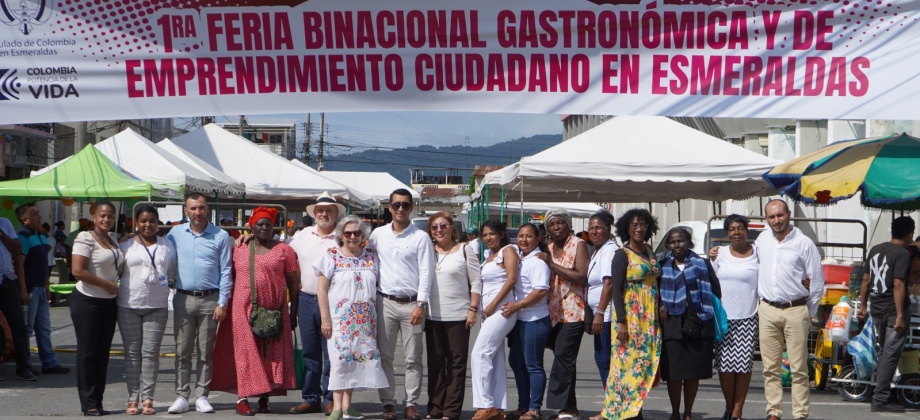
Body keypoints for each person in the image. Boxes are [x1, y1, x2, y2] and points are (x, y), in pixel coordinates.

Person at [212, 206, 299, 416]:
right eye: (260, 224)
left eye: (268, 224)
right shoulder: (240, 248)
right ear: (252, 227)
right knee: (245, 353)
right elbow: (226, 276)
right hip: (242, 309)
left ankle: (264, 396)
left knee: (269, 354)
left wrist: (293, 313)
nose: (264, 228)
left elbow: (295, 284)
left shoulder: (284, 250)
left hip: (273, 310)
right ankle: (242, 398)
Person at [367, 189, 435, 420]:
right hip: (384, 301)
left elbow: (427, 272)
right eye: (396, 205)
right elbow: (364, 258)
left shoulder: (420, 237)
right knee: (384, 355)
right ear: (389, 207)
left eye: (405, 205)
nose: (400, 209)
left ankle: (411, 403)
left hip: (412, 304)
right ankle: (387, 402)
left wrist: (421, 303)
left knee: (413, 358)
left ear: (411, 208)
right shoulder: (378, 234)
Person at [315, 215, 389, 420]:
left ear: (363, 234)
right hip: (340, 321)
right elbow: (321, 290)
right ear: (341, 235)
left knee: (355, 361)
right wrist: (325, 319)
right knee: (339, 362)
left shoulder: (371, 256)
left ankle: (348, 406)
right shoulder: (331, 257)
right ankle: (336, 407)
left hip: (365, 321)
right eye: (348, 233)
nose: (353, 237)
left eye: (357, 232)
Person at [166, 192, 233, 414]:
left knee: (206, 351)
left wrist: (223, 302)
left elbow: (226, 271)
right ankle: (182, 395)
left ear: (208, 209)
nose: (197, 212)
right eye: (193, 208)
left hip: (210, 300)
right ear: (186, 211)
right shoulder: (175, 234)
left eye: (201, 208)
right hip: (183, 298)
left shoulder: (220, 236)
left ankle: (202, 395)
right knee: (182, 350)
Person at [756, 199, 824, 420]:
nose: (776, 220)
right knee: (769, 368)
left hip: (796, 309)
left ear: (788, 215)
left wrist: (809, 311)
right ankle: (774, 412)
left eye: (780, 215)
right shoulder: (762, 239)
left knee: (799, 369)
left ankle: (800, 415)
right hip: (767, 309)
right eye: (772, 217)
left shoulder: (804, 243)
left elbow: (816, 282)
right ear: (766, 219)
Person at [598, 208, 661, 420]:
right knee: (626, 366)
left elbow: (655, 281)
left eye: (643, 224)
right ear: (627, 228)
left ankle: (635, 408)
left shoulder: (649, 251)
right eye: (634, 225)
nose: (639, 229)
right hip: (631, 318)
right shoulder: (621, 255)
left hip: (649, 317)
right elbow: (616, 289)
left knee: (644, 364)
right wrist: (622, 322)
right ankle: (623, 411)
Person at [288, 191, 346, 415]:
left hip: (334, 302)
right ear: (314, 214)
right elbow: (282, 253)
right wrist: (248, 238)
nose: (324, 214)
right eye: (320, 210)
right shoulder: (302, 235)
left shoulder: (342, 237)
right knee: (310, 352)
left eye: (328, 210)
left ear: (335, 214)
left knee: (331, 351)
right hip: (306, 299)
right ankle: (311, 397)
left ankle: (330, 398)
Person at [117, 205, 177, 415]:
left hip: (157, 306)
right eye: (143, 221)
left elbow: (169, 272)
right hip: (128, 304)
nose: (147, 225)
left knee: (150, 354)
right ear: (136, 222)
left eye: (152, 220)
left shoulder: (167, 245)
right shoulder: (125, 245)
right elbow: (118, 270)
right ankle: (132, 398)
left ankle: (148, 399)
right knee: (132, 354)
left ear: (157, 222)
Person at [658, 227, 721, 420]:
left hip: (698, 320)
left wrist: (702, 304)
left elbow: (716, 290)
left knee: (692, 372)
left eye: (681, 241)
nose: (677, 245)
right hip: (672, 322)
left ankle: (688, 413)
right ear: (668, 245)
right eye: (673, 242)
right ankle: (675, 412)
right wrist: (661, 304)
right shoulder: (662, 265)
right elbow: (655, 292)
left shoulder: (701, 263)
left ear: (688, 242)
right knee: (674, 372)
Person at [70, 201, 125, 416]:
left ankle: (98, 402)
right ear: (94, 216)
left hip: (109, 303)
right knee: (88, 353)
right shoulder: (84, 238)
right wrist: (108, 285)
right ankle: (89, 403)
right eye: (102, 215)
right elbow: (78, 271)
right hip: (87, 301)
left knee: (103, 354)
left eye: (110, 216)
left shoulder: (113, 239)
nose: (106, 219)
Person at [425, 212, 481, 420]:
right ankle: (435, 408)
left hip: (459, 316)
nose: (439, 230)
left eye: (443, 226)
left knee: (456, 365)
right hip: (432, 317)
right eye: (434, 227)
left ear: (452, 228)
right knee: (436, 364)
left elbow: (476, 282)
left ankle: (451, 411)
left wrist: (473, 310)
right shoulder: (428, 252)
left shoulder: (465, 250)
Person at [857, 216, 915, 413]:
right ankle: (880, 398)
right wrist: (900, 315)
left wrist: (863, 306)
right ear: (910, 233)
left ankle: (880, 393)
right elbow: (898, 284)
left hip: (877, 308)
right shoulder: (902, 254)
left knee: (884, 352)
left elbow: (865, 281)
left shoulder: (875, 249)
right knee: (890, 354)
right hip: (893, 310)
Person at [536, 209, 588, 420]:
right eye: (552, 224)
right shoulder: (546, 248)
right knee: (566, 361)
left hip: (573, 312)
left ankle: (563, 408)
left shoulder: (578, 244)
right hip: (552, 312)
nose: (556, 227)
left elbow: (581, 276)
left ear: (568, 225)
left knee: (563, 359)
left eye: (560, 223)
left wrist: (551, 264)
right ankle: (570, 408)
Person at [709, 215, 760, 420]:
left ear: (747, 231)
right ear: (727, 233)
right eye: (731, 229)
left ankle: (738, 411)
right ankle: (729, 407)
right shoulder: (718, 253)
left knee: (744, 365)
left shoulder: (758, 252)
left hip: (749, 316)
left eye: (740, 228)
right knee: (725, 366)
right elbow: (711, 281)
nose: (736, 232)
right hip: (724, 317)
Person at [470, 219, 520, 420]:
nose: (488, 237)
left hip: (502, 310)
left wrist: (493, 304)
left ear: (501, 234)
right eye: (485, 234)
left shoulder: (508, 250)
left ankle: (485, 404)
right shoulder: (489, 256)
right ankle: (498, 407)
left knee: (479, 353)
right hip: (489, 312)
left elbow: (511, 279)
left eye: (492, 233)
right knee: (496, 358)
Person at [503, 223, 552, 420]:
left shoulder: (537, 262)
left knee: (533, 365)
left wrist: (517, 305)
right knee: (516, 361)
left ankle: (534, 408)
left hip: (535, 318)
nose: (523, 240)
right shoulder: (521, 258)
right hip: (520, 319)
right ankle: (523, 406)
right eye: (521, 236)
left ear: (538, 238)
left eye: (529, 236)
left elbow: (540, 291)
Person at [15, 203, 69, 376]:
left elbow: (44, 264)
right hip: (30, 289)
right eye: (35, 214)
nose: (40, 217)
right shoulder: (23, 236)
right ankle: (25, 364)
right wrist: (23, 289)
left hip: (40, 288)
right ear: (25, 219)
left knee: (44, 328)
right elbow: (19, 265)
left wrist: (46, 285)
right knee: (28, 328)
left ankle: (49, 363)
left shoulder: (40, 235)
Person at [584, 210, 619, 387]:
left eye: (598, 228)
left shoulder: (609, 250)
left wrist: (599, 312)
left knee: (604, 359)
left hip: (607, 315)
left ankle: (612, 406)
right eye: (591, 228)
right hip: (602, 314)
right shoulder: (598, 251)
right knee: (603, 358)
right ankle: (612, 404)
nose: (594, 232)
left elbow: (609, 283)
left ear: (608, 228)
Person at [0, 213, 34, 382]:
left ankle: (24, 367)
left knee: (18, 325)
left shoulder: (4, 223)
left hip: (7, 280)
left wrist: (1, 234)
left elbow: (17, 248)